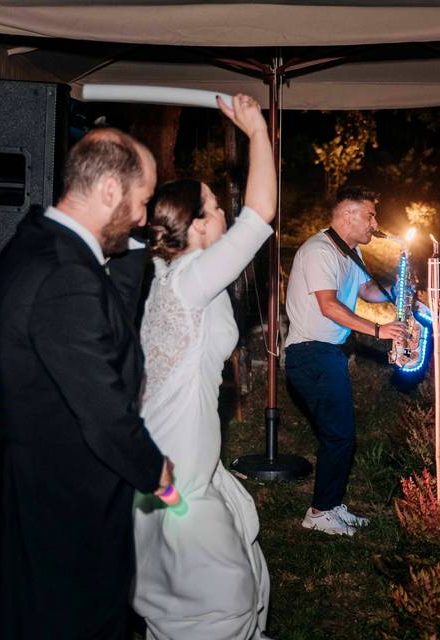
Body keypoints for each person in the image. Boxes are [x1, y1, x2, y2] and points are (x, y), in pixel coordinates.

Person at [0, 127, 173, 639]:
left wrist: (133, 244)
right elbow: (102, 410)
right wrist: (159, 474)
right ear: (110, 191)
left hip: (46, 495)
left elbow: (111, 310)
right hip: (68, 511)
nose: (143, 216)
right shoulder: (63, 275)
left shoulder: (40, 246)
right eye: (142, 200)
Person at [131, 94, 274, 640]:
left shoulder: (172, 276)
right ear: (194, 226)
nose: (225, 214)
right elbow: (260, 214)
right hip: (177, 475)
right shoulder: (190, 279)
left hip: (177, 460)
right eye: (215, 208)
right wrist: (258, 133)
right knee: (215, 603)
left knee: (223, 588)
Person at [283, 186, 408, 536]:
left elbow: (365, 290)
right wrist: (379, 330)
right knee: (339, 436)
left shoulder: (350, 253)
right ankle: (319, 512)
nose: (375, 223)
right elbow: (330, 305)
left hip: (326, 353)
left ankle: (332, 505)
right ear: (348, 215)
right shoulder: (320, 250)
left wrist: (397, 289)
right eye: (369, 214)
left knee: (341, 435)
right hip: (310, 352)